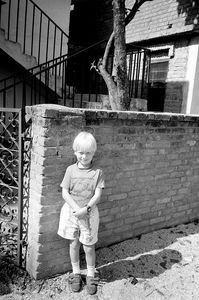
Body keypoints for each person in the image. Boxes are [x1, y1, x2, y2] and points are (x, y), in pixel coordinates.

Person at [58, 131, 105, 295]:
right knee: (74, 243)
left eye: (88, 153)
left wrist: (86, 209)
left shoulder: (97, 172)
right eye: (80, 153)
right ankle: (76, 273)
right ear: (75, 151)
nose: (84, 157)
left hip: (89, 214)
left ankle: (91, 275)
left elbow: (98, 195)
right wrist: (77, 210)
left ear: (94, 152)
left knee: (89, 246)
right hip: (72, 213)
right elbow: (65, 193)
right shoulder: (70, 170)